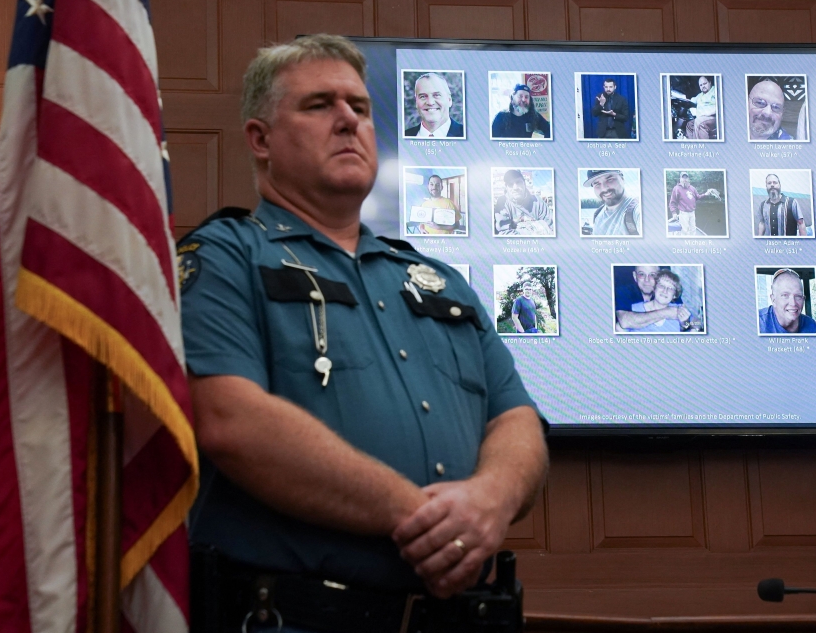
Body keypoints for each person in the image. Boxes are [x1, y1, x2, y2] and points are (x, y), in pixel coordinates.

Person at [179, 35, 548, 631]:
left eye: (360, 106)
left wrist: (490, 501)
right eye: (319, 104)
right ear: (261, 139)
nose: (349, 119)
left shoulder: (438, 281)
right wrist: (432, 524)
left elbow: (517, 419)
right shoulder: (224, 258)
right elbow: (232, 422)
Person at [615, 265, 688, 331]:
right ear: (635, 276)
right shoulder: (624, 292)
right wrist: (666, 312)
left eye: (652, 275)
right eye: (641, 274)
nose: (647, 280)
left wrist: (685, 324)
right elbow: (624, 323)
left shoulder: (668, 295)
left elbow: (689, 323)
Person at [494, 169, 553, 236]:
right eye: (510, 184)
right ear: (506, 187)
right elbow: (504, 234)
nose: (515, 187)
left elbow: (551, 227)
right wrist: (537, 228)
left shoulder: (538, 202)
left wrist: (518, 230)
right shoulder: (503, 203)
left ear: (524, 183)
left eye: (518, 182)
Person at [758, 269, 816, 334]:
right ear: (773, 300)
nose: (793, 303)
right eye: (785, 295)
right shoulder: (758, 324)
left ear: (803, 299)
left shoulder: (812, 327)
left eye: (798, 296)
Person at [405, 72, 464, 138]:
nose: (430, 102)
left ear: (449, 100)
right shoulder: (404, 136)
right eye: (423, 96)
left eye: (437, 95)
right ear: (416, 102)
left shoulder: (466, 135)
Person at [584, 169, 640, 236]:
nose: (604, 188)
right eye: (597, 184)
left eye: (610, 179)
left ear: (622, 179)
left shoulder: (638, 210)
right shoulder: (597, 214)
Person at [669, 171, 719, 236]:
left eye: (686, 178)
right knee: (685, 231)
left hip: (692, 213)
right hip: (684, 214)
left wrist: (706, 194)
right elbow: (672, 202)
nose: (685, 179)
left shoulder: (692, 188)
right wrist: (674, 213)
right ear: (680, 179)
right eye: (683, 178)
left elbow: (698, 197)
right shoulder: (676, 189)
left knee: (693, 230)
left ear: (688, 179)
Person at [685, 76, 718, 140]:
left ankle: (702, 146)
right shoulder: (700, 95)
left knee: (699, 122)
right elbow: (691, 100)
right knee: (690, 125)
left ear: (710, 82)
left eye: (705, 83)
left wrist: (705, 113)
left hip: (713, 117)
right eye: (701, 85)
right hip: (702, 118)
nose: (703, 86)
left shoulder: (715, 91)